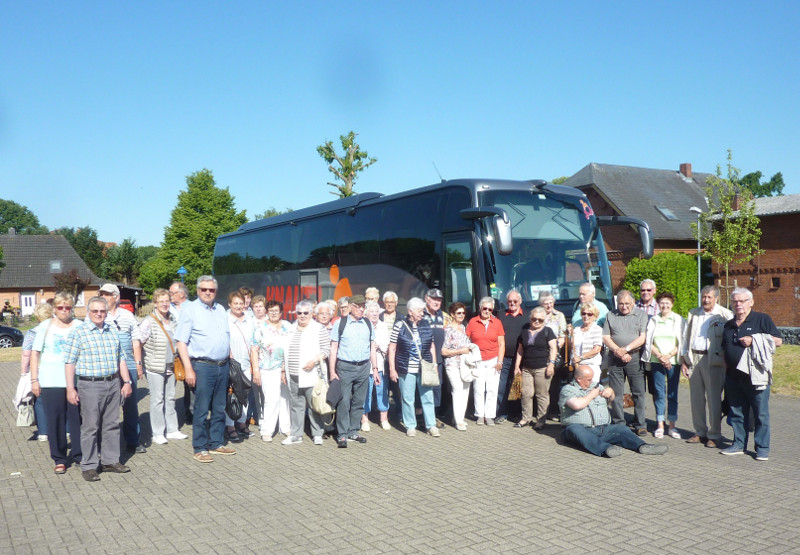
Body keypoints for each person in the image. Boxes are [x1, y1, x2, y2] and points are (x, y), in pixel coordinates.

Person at [64, 296, 134, 481]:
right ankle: (89, 465)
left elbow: (121, 359)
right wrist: (70, 388)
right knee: (90, 426)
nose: (99, 314)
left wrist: (127, 382)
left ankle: (110, 460)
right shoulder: (79, 333)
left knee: (111, 424)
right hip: (90, 385)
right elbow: (69, 362)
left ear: (106, 312)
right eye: (95, 311)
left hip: (113, 382)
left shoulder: (112, 332)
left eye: (102, 311)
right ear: (88, 312)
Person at [175, 275, 236, 463]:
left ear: (216, 291)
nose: (208, 292)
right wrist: (189, 369)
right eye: (204, 289)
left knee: (219, 407)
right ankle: (200, 447)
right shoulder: (190, 310)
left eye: (211, 290)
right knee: (201, 409)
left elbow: (224, 337)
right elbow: (181, 342)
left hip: (222, 365)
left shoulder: (220, 310)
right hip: (202, 366)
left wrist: (230, 358)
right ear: (197, 290)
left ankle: (216, 443)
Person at [720, 287, 782, 460]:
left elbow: (778, 341)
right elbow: (725, 349)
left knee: (760, 413)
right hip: (733, 377)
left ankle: (762, 448)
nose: (738, 304)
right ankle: (739, 444)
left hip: (756, 377)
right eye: (735, 301)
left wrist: (755, 339)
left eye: (742, 301)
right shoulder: (729, 324)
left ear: (751, 302)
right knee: (737, 412)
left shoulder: (762, 319)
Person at [559, 365, 668, 458]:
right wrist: (591, 395)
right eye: (588, 379)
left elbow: (610, 400)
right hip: (581, 430)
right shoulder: (568, 390)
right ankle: (605, 449)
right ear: (579, 379)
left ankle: (642, 446)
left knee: (622, 429)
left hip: (603, 428)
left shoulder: (596, 386)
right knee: (575, 429)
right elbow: (577, 405)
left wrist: (610, 393)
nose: (591, 381)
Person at [29, 293, 82, 474]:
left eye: (67, 307)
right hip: (51, 380)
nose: (64, 311)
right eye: (60, 307)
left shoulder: (79, 326)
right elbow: (34, 354)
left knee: (77, 419)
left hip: (75, 381)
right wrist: (34, 380)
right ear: (54, 309)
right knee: (56, 421)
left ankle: (79, 454)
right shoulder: (45, 327)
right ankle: (59, 458)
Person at [680, 285, 733, 448]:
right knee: (696, 399)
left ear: (716, 298)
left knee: (714, 399)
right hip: (694, 358)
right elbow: (685, 337)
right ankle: (699, 432)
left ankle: (714, 434)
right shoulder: (693, 313)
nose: (706, 300)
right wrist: (684, 360)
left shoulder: (724, 315)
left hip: (714, 360)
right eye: (703, 297)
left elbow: (730, 339)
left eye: (709, 297)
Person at [98, 283, 145, 455]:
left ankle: (133, 441)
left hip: (129, 366)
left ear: (116, 297)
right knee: (106, 406)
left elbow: (136, 341)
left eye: (107, 294)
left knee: (130, 405)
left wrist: (138, 365)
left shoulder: (127, 315)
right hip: (106, 367)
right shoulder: (97, 315)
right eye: (101, 293)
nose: (103, 296)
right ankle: (104, 443)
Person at [329, 294, 378, 448]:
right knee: (343, 401)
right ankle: (342, 434)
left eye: (363, 306)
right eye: (358, 306)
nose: (361, 309)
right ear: (350, 307)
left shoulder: (368, 324)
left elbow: (372, 348)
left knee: (359, 400)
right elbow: (333, 348)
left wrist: (375, 369)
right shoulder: (341, 323)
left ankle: (353, 431)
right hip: (345, 367)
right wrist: (332, 372)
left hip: (364, 367)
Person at [140, 288, 187, 445]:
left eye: (167, 300)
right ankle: (158, 432)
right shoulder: (148, 321)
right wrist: (140, 364)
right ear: (155, 303)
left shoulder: (173, 319)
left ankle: (172, 430)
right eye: (161, 301)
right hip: (155, 367)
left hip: (172, 365)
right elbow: (139, 342)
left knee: (170, 398)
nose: (165, 304)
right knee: (157, 399)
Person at [281, 300, 330, 446]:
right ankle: (296, 435)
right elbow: (284, 352)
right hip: (293, 374)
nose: (302, 316)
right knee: (296, 405)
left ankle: (317, 433)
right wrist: (283, 370)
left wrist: (314, 361)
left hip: (312, 373)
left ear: (311, 314)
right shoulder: (290, 328)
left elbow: (326, 350)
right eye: (299, 313)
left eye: (305, 313)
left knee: (314, 405)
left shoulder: (318, 328)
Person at [388, 297, 438, 437]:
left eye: (422, 310)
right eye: (419, 310)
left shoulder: (426, 324)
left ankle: (431, 425)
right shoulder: (400, 325)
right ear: (410, 311)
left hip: (424, 368)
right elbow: (392, 348)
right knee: (407, 398)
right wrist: (392, 369)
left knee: (427, 397)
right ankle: (410, 425)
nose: (422, 313)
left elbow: (432, 347)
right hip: (406, 368)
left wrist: (434, 366)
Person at [602, 290, 648, 435]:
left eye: (627, 303)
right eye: (621, 304)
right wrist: (618, 351)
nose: (624, 307)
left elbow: (642, 338)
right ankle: (619, 423)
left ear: (633, 302)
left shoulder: (641, 315)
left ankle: (640, 424)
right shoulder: (611, 315)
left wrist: (626, 350)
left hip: (634, 358)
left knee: (638, 392)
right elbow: (606, 337)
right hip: (615, 359)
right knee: (616, 393)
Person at [641, 292, 686, 439]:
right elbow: (649, 342)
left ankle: (672, 426)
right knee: (659, 394)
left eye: (667, 303)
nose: (664, 306)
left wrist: (668, 356)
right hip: (656, 362)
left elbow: (682, 342)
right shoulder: (653, 320)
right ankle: (660, 425)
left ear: (672, 304)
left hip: (673, 362)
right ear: (658, 304)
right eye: (662, 303)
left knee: (672, 394)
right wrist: (660, 356)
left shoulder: (678, 320)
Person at [253, 300, 291, 442]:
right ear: (267, 312)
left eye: (276, 310)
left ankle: (286, 427)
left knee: (285, 398)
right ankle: (267, 430)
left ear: (281, 312)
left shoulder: (287, 326)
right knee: (271, 399)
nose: (273, 313)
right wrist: (256, 370)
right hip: (268, 368)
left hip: (285, 368)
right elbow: (254, 349)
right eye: (271, 310)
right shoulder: (260, 328)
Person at [513, 307, 558, 429]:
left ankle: (541, 420)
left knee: (541, 394)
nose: (537, 321)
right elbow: (520, 350)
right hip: (527, 368)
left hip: (542, 368)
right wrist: (517, 366)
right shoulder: (524, 332)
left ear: (544, 320)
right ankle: (525, 418)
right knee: (526, 394)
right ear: (530, 319)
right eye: (534, 319)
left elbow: (554, 348)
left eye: (540, 319)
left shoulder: (548, 331)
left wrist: (551, 364)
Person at [465, 296, 505, 425]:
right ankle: (480, 415)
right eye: (485, 308)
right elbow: (466, 340)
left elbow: (501, 344)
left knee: (492, 389)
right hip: (478, 360)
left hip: (493, 359)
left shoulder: (497, 323)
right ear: (480, 308)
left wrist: (500, 361)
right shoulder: (472, 322)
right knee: (478, 388)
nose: (487, 311)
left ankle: (489, 416)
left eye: (490, 309)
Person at [225, 290, 258, 442]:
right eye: (235, 303)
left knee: (244, 394)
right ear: (229, 304)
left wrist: (254, 365)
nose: (238, 306)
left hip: (246, 363)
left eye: (241, 303)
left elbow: (254, 344)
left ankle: (241, 422)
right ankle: (230, 425)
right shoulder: (225, 319)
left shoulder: (250, 320)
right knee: (232, 395)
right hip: (231, 364)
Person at [21, 301, 54, 442]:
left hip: (38, 369)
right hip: (56, 368)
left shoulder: (33, 332)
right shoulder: (57, 329)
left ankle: (43, 432)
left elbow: (26, 354)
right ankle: (66, 429)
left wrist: (23, 372)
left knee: (39, 399)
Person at [496, 290, 527, 424]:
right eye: (510, 301)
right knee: (501, 386)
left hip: (520, 358)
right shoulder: (500, 315)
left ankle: (515, 414)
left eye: (515, 301)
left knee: (517, 387)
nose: (512, 303)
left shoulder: (527, 316)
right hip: (504, 358)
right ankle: (501, 413)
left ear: (520, 301)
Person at [441, 302, 472, 431]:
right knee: (457, 390)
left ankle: (459, 417)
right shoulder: (448, 330)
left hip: (464, 364)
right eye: (458, 313)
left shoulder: (464, 327)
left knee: (465, 390)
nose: (461, 315)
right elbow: (444, 351)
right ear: (452, 314)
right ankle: (458, 421)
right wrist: (460, 351)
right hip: (452, 364)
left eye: (463, 313)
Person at [363, 300, 391, 431]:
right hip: (365, 366)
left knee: (382, 392)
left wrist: (376, 346)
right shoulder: (362, 324)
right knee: (365, 393)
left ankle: (384, 419)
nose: (374, 314)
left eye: (376, 312)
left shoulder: (383, 326)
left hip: (381, 364)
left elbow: (386, 345)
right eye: (371, 312)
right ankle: (364, 420)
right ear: (366, 313)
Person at [422, 288, 449, 428]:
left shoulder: (441, 315)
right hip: (425, 360)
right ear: (427, 298)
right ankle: (422, 419)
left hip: (438, 359)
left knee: (437, 389)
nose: (436, 302)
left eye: (439, 300)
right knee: (424, 389)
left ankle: (434, 417)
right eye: (434, 299)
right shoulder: (421, 313)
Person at [170, 281, 193, 421]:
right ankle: (170, 417)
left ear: (182, 294)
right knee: (169, 387)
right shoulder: (167, 308)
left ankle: (190, 413)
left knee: (189, 385)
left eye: (172, 293)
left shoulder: (193, 307)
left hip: (188, 352)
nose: (170, 295)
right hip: (171, 353)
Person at [571, 303, 603, 384]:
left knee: (591, 391)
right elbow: (572, 348)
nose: (586, 316)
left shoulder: (597, 329)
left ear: (595, 316)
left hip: (591, 366)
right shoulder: (576, 330)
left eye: (590, 314)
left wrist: (580, 358)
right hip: (577, 367)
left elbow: (596, 349)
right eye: (583, 313)